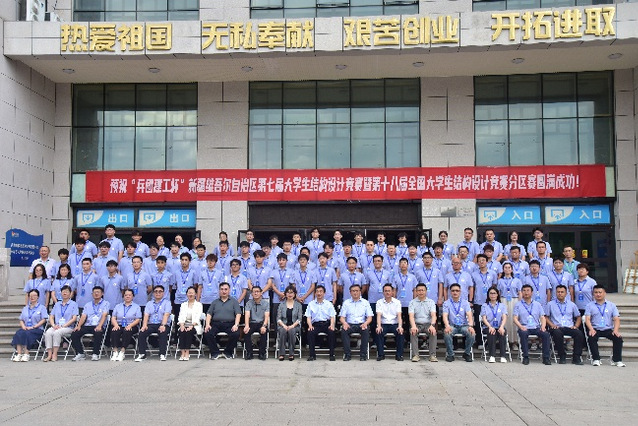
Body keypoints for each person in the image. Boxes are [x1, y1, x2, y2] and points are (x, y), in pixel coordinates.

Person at [585, 285, 625, 367]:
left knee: (618, 338)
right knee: (591, 338)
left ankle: (617, 360)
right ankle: (596, 359)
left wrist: (616, 330)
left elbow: (616, 319)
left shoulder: (611, 305)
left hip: (608, 329)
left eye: (600, 292)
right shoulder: (589, 305)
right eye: (596, 292)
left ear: (604, 293)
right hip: (595, 329)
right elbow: (587, 319)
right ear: (593, 294)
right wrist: (591, 329)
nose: (598, 294)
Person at [545, 285, 584, 365]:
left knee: (579, 334)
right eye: (558, 292)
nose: (560, 294)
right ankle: (562, 355)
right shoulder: (550, 304)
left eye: (562, 292)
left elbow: (578, 317)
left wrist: (576, 326)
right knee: (557, 333)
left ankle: (576, 357)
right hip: (556, 327)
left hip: (569, 327)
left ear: (566, 293)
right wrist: (552, 325)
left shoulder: (572, 304)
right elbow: (545, 317)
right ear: (555, 293)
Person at [513, 284, 551, 365]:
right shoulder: (518, 305)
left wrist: (543, 326)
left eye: (528, 290)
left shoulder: (537, 304)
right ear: (522, 292)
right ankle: (526, 357)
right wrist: (520, 326)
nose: (526, 292)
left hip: (536, 327)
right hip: (524, 327)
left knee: (546, 334)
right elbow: (515, 318)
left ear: (532, 292)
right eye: (524, 291)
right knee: (523, 334)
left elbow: (542, 317)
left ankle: (546, 358)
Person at [71, 286, 110, 361]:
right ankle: (80, 353)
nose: (96, 294)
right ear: (92, 294)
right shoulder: (88, 304)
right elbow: (83, 316)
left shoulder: (106, 303)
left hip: (98, 325)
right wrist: (79, 326)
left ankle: (95, 354)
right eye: (94, 292)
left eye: (98, 292)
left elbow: (104, 315)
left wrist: (99, 326)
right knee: (75, 333)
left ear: (102, 294)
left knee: (98, 333)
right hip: (88, 325)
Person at [204, 282, 242, 360]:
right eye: (221, 289)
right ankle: (215, 352)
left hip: (229, 324)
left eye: (225, 289)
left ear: (229, 290)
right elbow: (209, 314)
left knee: (236, 334)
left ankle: (228, 352)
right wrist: (207, 324)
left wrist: (236, 325)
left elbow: (238, 314)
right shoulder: (215, 302)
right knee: (208, 333)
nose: (224, 291)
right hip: (216, 324)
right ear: (219, 290)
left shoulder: (234, 301)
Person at [136, 285, 173, 361]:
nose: (158, 293)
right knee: (142, 333)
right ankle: (142, 354)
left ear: (163, 293)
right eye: (156, 291)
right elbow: (146, 315)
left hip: (162, 323)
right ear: (153, 293)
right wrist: (144, 325)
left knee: (162, 332)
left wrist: (163, 325)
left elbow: (166, 315)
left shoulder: (167, 303)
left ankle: (162, 354)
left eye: (160, 291)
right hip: (151, 324)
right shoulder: (149, 303)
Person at [43, 285, 79, 362]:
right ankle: (49, 354)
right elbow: (51, 316)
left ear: (70, 293)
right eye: (63, 292)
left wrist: (63, 326)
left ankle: (55, 354)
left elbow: (74, 318)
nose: (65, 293)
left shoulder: (74, 304)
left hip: (68, 327)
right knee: (48, 332)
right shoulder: (57, 304)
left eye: (67, 292)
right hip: (56, 326)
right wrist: (53, 325)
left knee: (57, 333)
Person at [11, 289, 48, 362]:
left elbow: (44, 319)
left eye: (34, 295)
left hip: (37, 329)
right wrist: (23, 326)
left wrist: (34, 326)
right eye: (30, 296)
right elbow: (21, 319)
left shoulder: (42, 308)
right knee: (19, 333)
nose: (32, 297)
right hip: (26, 328)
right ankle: (19, 354)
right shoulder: (25, 308)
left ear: (38, 297)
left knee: (28, 334)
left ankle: (26, 354)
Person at [442, 283, 475, 362]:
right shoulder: (446, 303)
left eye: (457, 291)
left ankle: (467, 353)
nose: (455, 292)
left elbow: (469, 315)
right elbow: (445, 316)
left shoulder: (465, 303)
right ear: (450, 292)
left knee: (471, 333)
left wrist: (471, 326)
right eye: (453, 291)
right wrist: (447, 326)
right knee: (447, 333)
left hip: (464, 326)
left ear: (460, 292)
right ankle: (451, 354)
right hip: (452, 326)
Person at [339, 284, 373, 361]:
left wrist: (365, 323)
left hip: (362, 324)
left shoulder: (365, 302)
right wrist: (344, 323)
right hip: (349, 324)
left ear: (360, 292)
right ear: (350, 292)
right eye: (353, 291)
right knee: (344, 331)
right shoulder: (346, 303)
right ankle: (347, 354)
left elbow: (370, 317)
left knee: (365, 331)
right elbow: (342, 317)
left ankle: (363, 355)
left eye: (357, 291)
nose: (355, 293)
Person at [305, 285, 337, 361]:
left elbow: (332, 316)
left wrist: (332, 325)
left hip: (326, 324)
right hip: (316, 324)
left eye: (321, 291)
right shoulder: (311, 304)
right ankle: (312, 355)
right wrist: (310, 325)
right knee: (310, 332)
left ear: (324, 293)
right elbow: (308, 316)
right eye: (317, 291)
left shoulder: (329, 304)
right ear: (315, 293)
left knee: (332, 332)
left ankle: (332, 354)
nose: (319, 293)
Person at [109, 289, 142, 361]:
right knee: (115, 331)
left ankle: (122, 351)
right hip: (119, 324)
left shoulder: (136, 307)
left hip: (131, 325)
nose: (127, 297)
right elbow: (113, 317)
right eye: (126, 295)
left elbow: (138, 319)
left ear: (133, 296)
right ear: (123, 296)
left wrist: (130, 326)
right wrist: (116, 325)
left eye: (129, 295)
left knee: (127, 331)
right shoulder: (118, 306)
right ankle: (115, 351)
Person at [408, 283, 437, 362]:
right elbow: (411, 316)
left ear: (426, 291)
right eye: (419, 290)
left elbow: (433, 315)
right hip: (417, 324)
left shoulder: (431, 302)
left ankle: (432, 355)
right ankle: (415, 355)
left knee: (433, 332)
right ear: (416, 292)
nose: (421, 292)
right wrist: (413, 326)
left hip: (428, 324)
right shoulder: (412, 302)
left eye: (422, 290)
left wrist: (432, 325)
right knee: (413, 332)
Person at [375, 284, 405, 361]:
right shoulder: (379, 302)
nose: (387, 292)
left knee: (400, 332)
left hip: (394, 324)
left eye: (389, 291)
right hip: (384, 324)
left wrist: (400, 326)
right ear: (383, 292)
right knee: (378, 332)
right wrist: (379, 326)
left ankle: (399, 355)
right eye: (385, 291)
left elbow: (399, 316)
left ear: (392, 292)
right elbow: (379, 315)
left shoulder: (397, 302)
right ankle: (381, 354)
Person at [498, 261, 522, 349]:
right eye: (505, 268)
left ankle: (514, 341)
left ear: (512, 270)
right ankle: (505, 341)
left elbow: (520, 292)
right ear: (503, 269)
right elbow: (498, 292)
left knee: (513, 320)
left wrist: (519, 303)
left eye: (509, 268)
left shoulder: (517, 281)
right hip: (503, 300)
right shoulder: (500, 281)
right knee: (505, 321)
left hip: (514, 300)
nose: (507, 269)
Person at [481, 287, 508, 363]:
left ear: (497, 295)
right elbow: (484, 318)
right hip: (488, 327)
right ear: (488, 295)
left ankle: (503, 356)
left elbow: (504, 317)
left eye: (494, 293)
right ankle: (492, 356)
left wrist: (502, 327)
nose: (492, 295)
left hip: (499, 326)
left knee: (502, 332)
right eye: (491, 293)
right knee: (492, 333)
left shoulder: (502, 305)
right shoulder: (484, 306)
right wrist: (490, 327)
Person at [276, 285, 303, 361]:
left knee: (291, 331)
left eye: (291, 292)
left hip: (294, 326)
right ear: (285, 294)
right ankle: (282, 353)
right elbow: (278, 318)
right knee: (282, 331)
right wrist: (284, 325)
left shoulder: (298, 305)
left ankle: (291, 353)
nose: (290, 294)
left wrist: (292, 326)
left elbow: (299, 319)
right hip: (283, 325)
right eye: (288, 292)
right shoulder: (281, 305)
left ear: (295, 294)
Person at [243, 286, 270, 360]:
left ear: (261, 293)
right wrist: (246, 325)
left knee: (264, 332)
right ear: (251, 294)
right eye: (254, 292)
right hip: (252, 323)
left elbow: (266, 316)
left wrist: (264, 326)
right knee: (246, 332)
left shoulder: (266, 303)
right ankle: (249, 353)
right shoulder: (249, 303)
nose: (256, 293)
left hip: (261, 323)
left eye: (257, 291)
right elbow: (247, 315)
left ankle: (262, 353)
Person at [177, 286, 203, 361]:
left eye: (192, 293)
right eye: (189, 293)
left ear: (195, 294)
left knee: (189, 332)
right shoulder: (183, 305)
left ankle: (187, 352)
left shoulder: (199, 305)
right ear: (186, 294)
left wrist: (192, 326)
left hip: (195, 325)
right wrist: (182, 325)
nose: (190, 294)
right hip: (184, 324)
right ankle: (182, 352)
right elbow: (181, 316)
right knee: (181, 331)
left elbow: (198, 317)